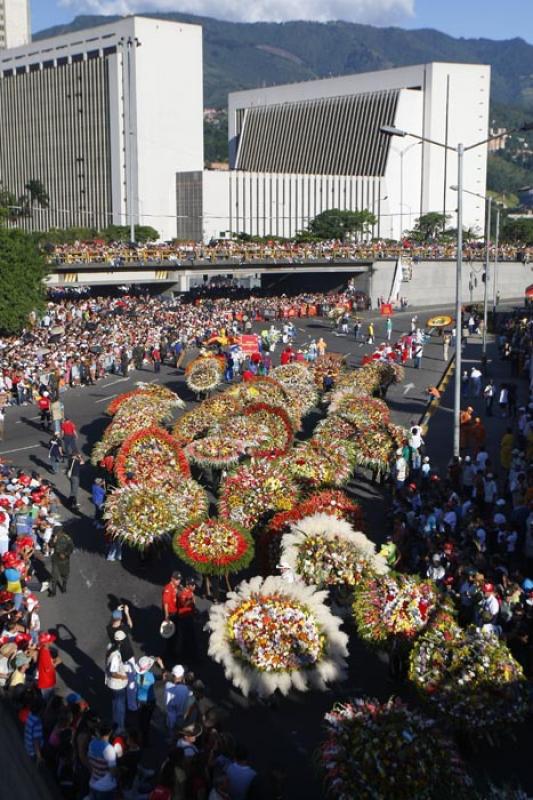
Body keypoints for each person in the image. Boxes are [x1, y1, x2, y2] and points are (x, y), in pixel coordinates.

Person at [88, 722, 118, 800]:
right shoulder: (109, 749)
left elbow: (90, 761)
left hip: (93, 783)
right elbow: (113, 772)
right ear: (110, 732)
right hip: (106, 787)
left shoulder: (91, 743)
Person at [105, 631, 129, 731]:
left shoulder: (110, 646)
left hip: (112, 684)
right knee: (120, 707)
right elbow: (114, 672)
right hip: (117, 685)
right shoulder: (115, 655)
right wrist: (123, 677)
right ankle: (120, 729)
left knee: (115, 703)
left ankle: (116, 724)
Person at [49, 527, 74, 596]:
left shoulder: (67, 538)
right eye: (54, 533)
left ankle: (64, 586)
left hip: (64, 560)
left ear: (60, 532)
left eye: (56, 533)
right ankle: (53, 592)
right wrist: (53, 541)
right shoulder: (54, 537)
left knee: (65, 575)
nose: (55, 534)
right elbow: (50, 545)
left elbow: (71, 548)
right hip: (55, 559)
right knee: (54, 576)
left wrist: (65, 554)